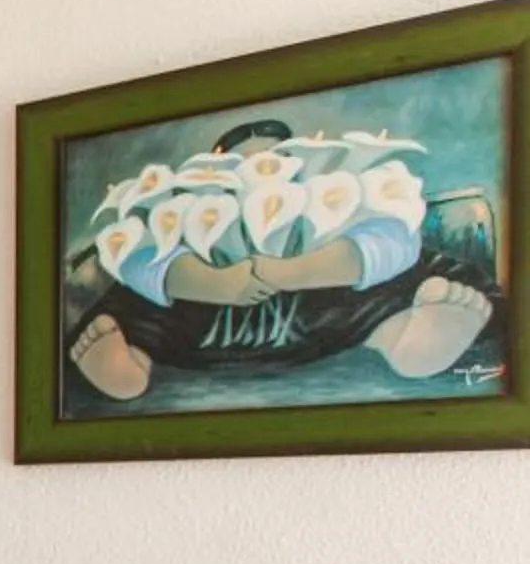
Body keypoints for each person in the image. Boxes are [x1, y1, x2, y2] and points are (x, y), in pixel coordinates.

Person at [65, 117, 498, 403]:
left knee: (392, 266)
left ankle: (399, 336)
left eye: (275, 160)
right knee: (143, 292)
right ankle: (130, 363)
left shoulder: (324, 203)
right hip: (207, 324)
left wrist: (295, 271)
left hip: (319, 310)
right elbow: (132, 253)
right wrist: (212, 283)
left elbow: (397, 239)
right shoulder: (186, 207)